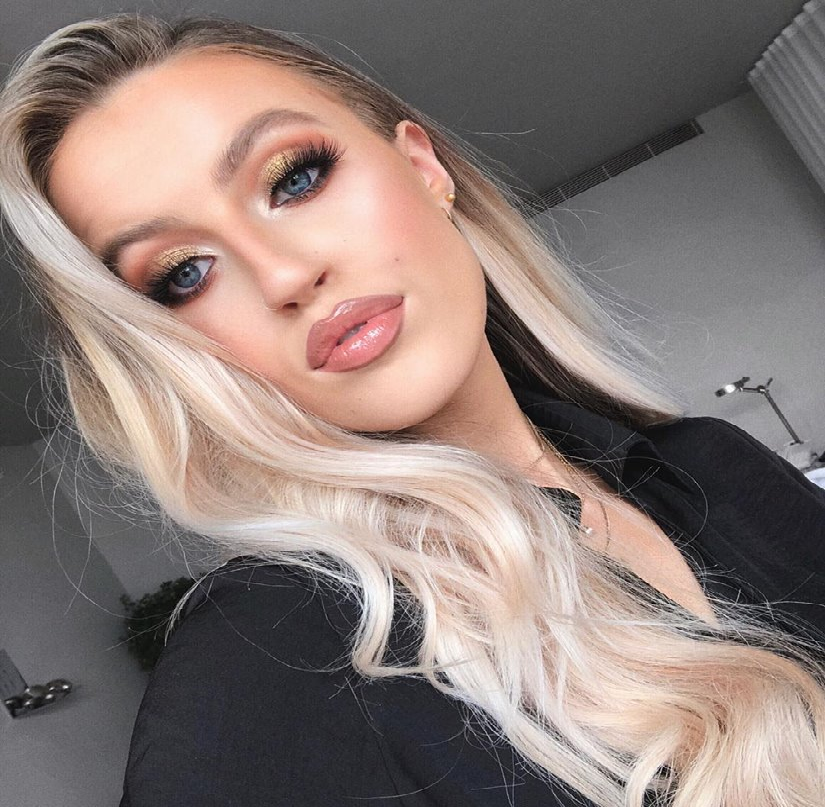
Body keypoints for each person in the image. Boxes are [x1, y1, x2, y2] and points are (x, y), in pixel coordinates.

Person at [0, 13, 824, 807]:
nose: (284, 275)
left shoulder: (709, 464)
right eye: (183, 273)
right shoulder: (278, 646)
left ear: (423, 168)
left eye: (294, 178)